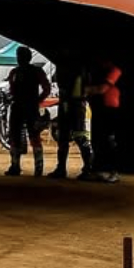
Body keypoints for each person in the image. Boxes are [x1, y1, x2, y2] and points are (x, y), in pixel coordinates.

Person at [4, 46, 51, 177]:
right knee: (25, 136)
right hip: (26, 107)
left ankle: (18, 167)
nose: (19, 59)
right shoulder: (29, 71)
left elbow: (46, 88)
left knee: (27, 136)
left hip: (24, 107)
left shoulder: (17, 72)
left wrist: (37, 100)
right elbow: (46, 88)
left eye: (21, 56)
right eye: (19, 56)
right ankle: (32, 168)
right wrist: (37, 100)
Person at [49, 51, 93, 179]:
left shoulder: (75, 68)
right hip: (72, 103)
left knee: (78, 136)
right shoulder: (79, 67)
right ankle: (63, 168)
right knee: (66, 137)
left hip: (74, 104)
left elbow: (73, 88)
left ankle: (87, 168)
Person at [83, 60, 122, 183]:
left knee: (109, 141)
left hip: (111, 110)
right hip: (99, 110)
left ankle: (114, 171)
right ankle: (98, 170)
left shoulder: (115, 70)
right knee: (97, 140)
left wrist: (87, 90)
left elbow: (102, 89)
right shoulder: (97, 72)